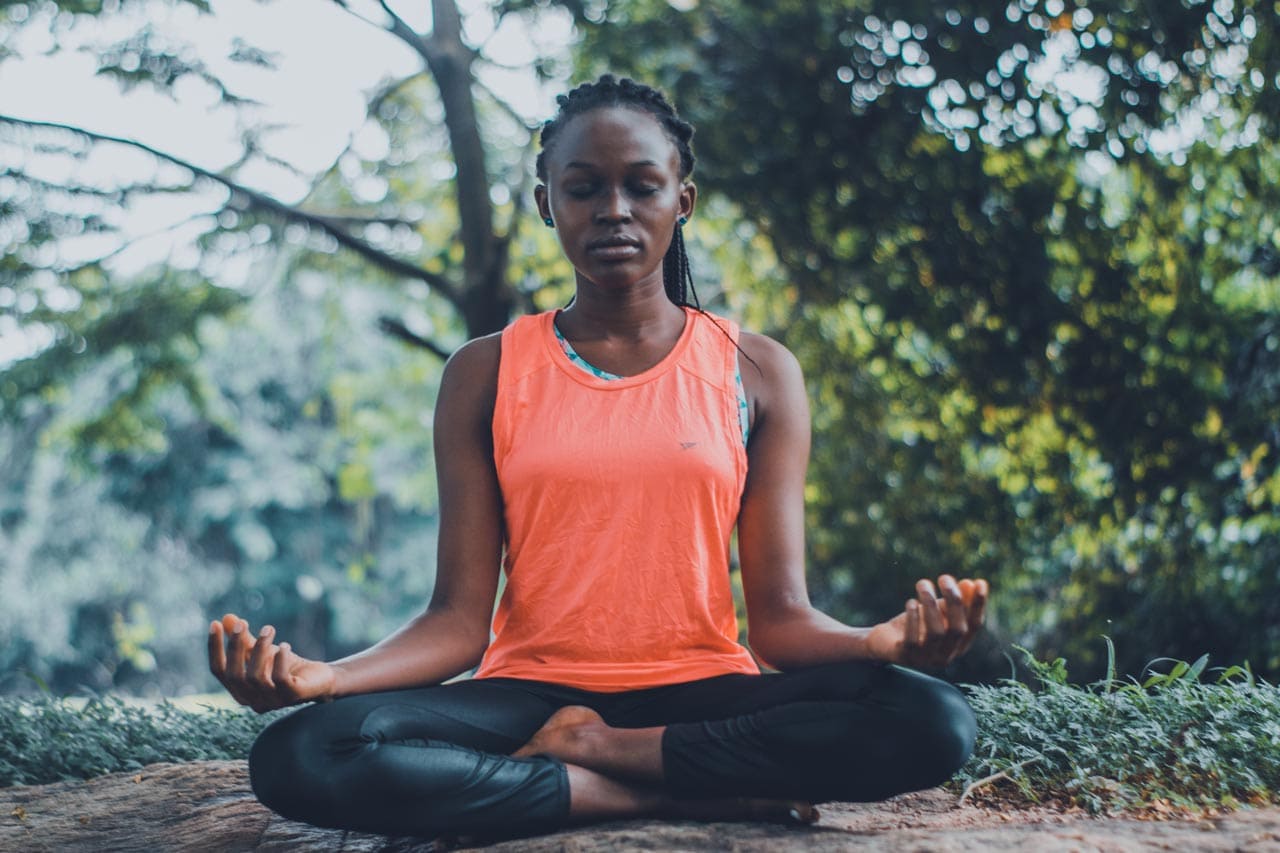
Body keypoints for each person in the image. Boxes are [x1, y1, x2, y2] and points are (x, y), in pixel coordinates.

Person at [208, 74, 989, 841]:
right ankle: (645, 797)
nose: (614, 209)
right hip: (527, 696)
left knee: (931, 718)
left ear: (681, 199)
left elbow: (780, 623)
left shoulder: (755, 370)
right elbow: (455, 621)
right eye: (584, 188)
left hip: (701, 693)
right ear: (548, 201)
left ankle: (599, 755)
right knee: (304, 751)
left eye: (641, 186)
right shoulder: (486, 372)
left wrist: (878, 643)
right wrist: (328, 677)